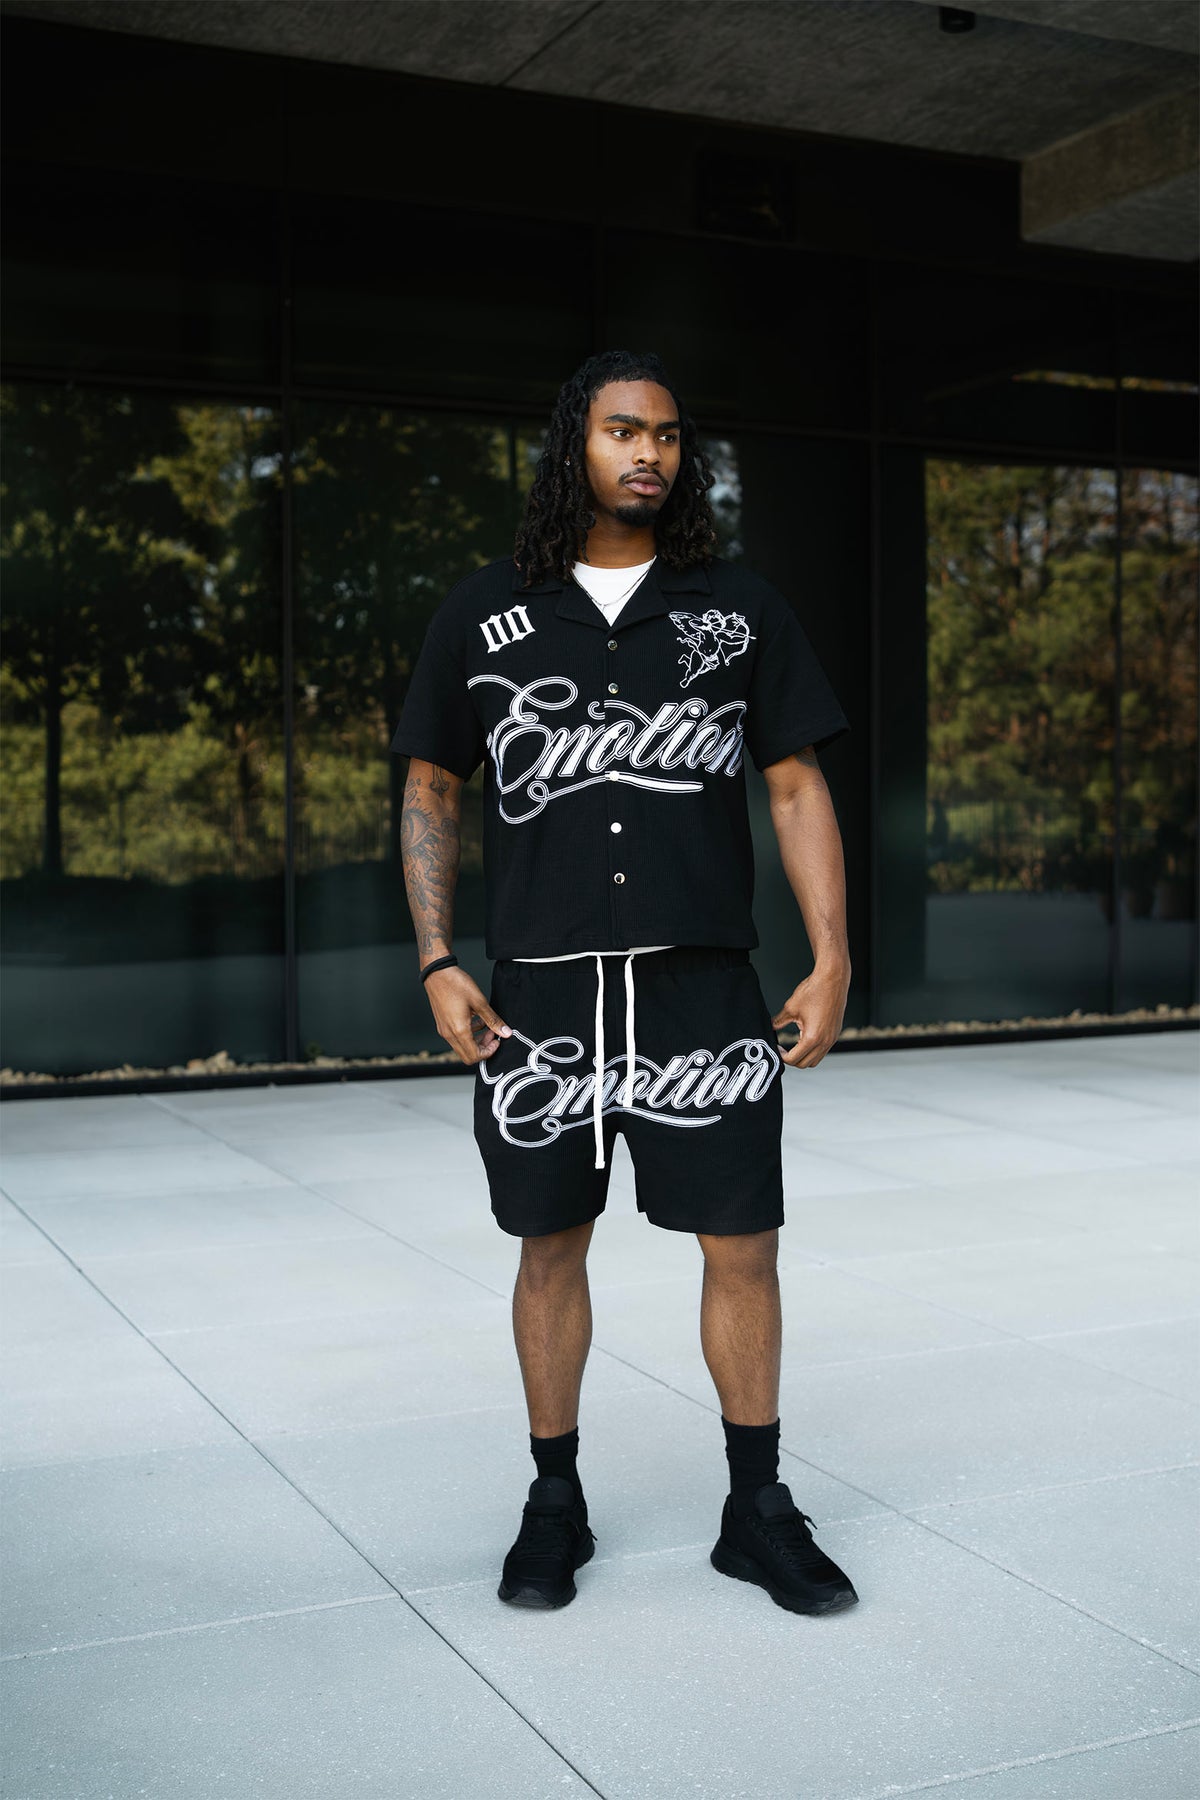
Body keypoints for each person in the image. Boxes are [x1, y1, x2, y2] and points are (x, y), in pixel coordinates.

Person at [392, 348, 858, 1616]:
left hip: (702, 984)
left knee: (742, 1244)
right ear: (574, 446)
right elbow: (432, 787)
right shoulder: (486, 612)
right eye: (620, 431)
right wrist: (436, 957)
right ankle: (555, 1502)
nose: (647, 452)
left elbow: (796, 784)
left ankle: (757, 1508)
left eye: (665, 434)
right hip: (538, 994)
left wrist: (831, 956)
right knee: (549, 1247)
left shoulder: (737, 609)